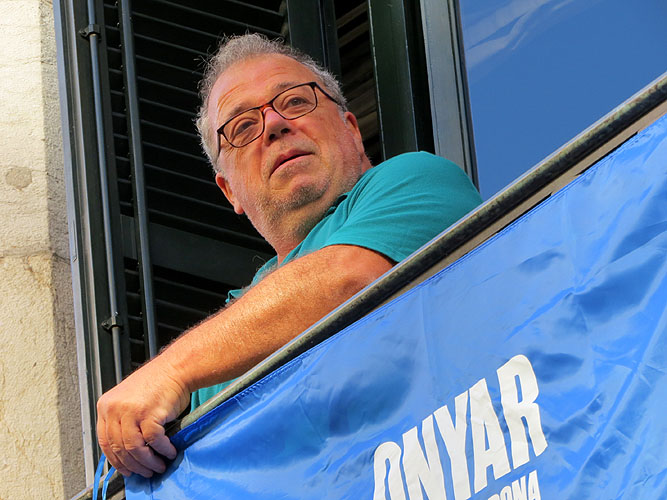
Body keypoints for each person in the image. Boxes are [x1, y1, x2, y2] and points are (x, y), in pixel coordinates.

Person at [95, 33, 482, 479]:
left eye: (295, 101)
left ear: (351, 130)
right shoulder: (225, 344)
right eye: (242, 127)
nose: (275, 125)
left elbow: (349, 279)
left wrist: (170, 371)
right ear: (229, 191)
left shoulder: (417, 179)